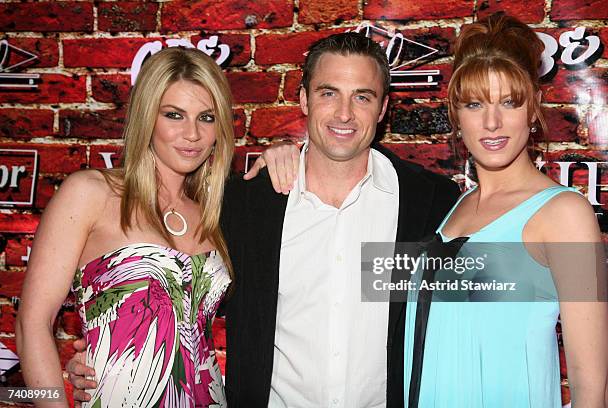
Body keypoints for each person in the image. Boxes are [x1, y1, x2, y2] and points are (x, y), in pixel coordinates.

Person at [67, 32, 460, 407]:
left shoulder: (431, 203)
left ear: (384, 107)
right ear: (304, 99)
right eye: (328, 93)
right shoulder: (246, 203)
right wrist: (107, 356)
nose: (344, 113)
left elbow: (475, 309)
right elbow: (175, 301)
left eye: (362, 96)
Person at [402, 13, 608, 407]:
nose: (492, 122)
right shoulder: (451, 209)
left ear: (533, 109)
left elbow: (591, 389)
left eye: (509, 102)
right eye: (475, 103)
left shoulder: (564, 215)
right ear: (456, 115)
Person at [16, 47, 236, 407]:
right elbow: (31, 323)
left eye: (207, 117)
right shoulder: (91, 193)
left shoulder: (216, 214)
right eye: (174, 115)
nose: (192, 133)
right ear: (147, 117)